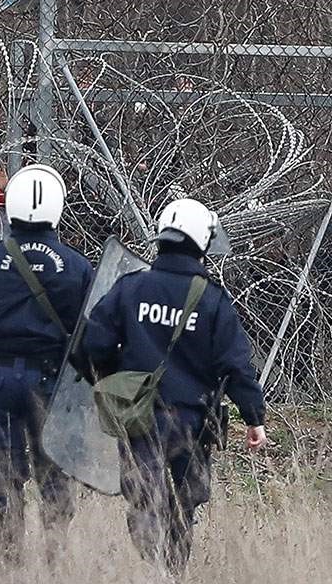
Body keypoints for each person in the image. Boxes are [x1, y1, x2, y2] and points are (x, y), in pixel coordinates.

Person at [78, 198, 267, 577]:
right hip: (193, 420)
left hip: (138, 415)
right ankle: (174, 570)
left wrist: (117, 380)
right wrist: (254, 416)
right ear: (201, 242)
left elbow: (90, 344)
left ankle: (155, 568)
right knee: (186, 501)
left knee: (144, 499)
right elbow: (235, 363)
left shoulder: (131, 288)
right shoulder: (212, 299)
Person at [0, 164, 93, 566]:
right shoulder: (75, 265)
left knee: (2, 476)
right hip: (52, 386)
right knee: (54, 471)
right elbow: (91, 332)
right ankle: (55, 558)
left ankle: (9, 563)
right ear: (57, 207)